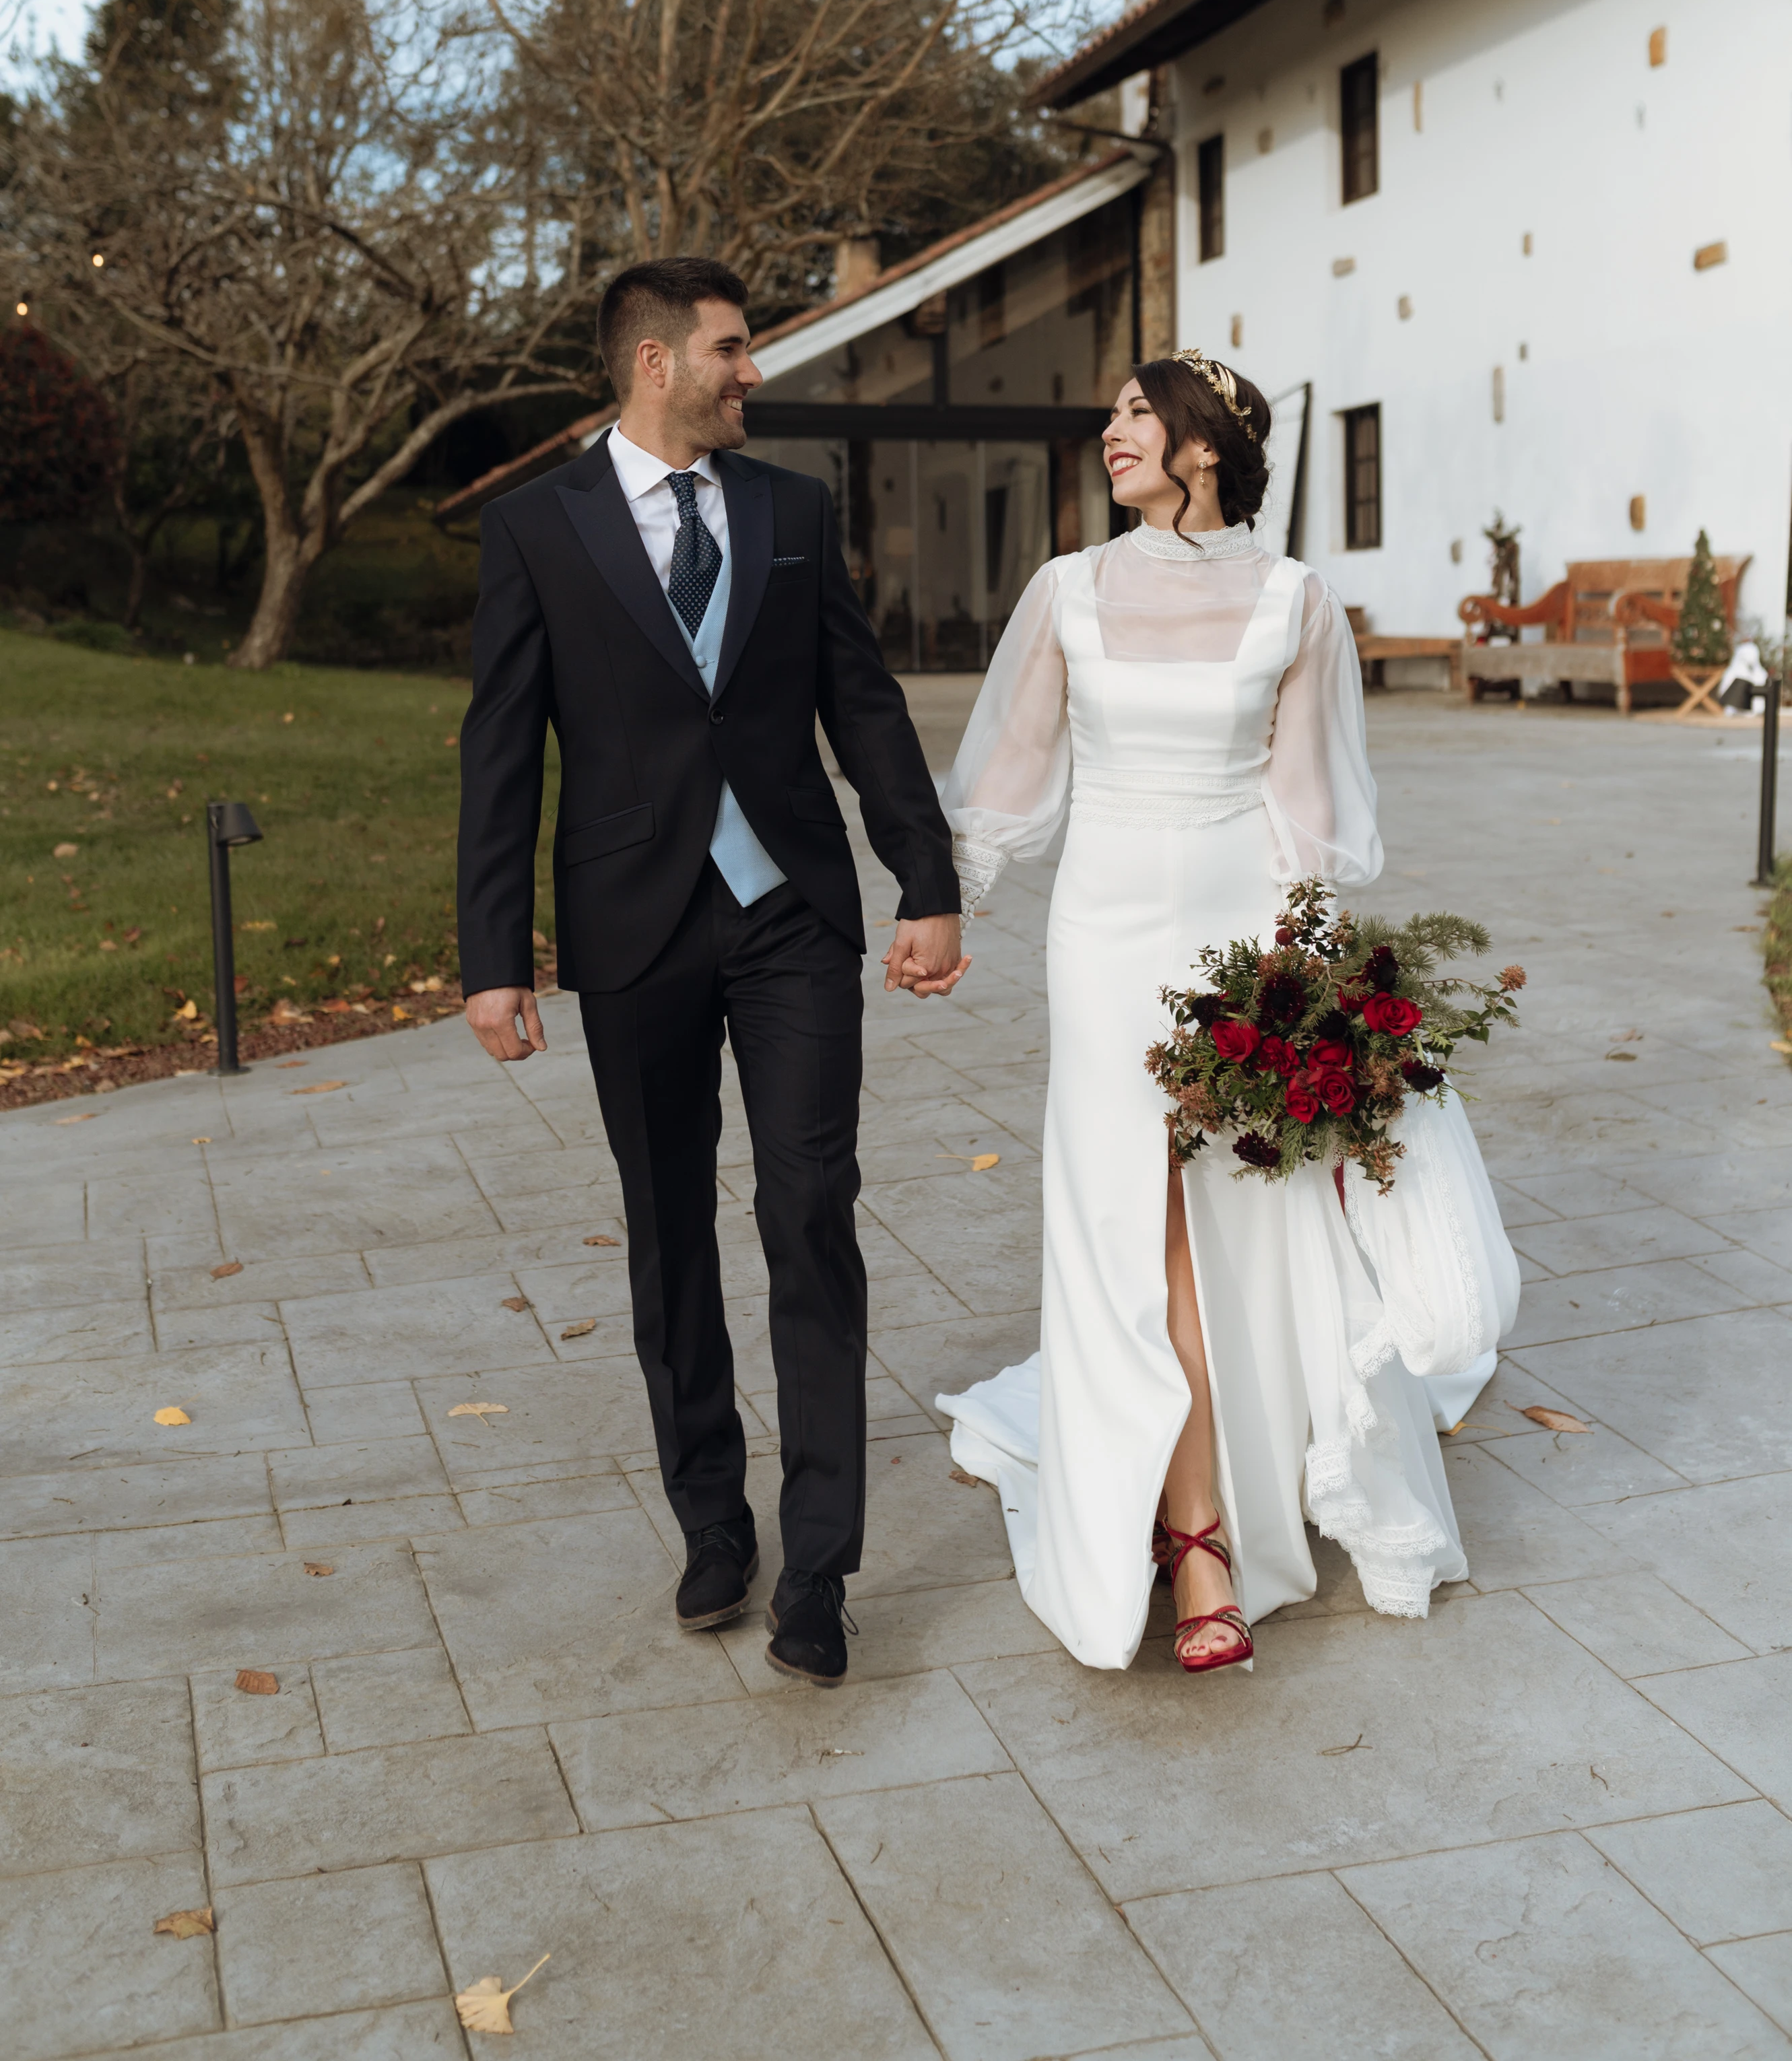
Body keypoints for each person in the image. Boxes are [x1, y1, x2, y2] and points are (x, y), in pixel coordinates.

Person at [935, 352, 1518, 1674]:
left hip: (1230, 943)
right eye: (1116, 413)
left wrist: (1301, 988)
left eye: (1138, 412)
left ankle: (1204, 1521)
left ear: (1208, 444)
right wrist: (945, 902)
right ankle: (1189, 1534)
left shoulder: (1297, 603)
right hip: (1098, 942)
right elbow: (1005, 775)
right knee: (1120, 1220)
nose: (1110, 429)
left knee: (1212, 1226)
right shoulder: (1065, 591)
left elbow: (1307, 815)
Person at [455, 257, 967, 1687]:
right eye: (734, 351)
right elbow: (500, 751)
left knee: (811, 1209)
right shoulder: (537, 530)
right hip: (635, 925)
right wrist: (492, 956)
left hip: (792, 911)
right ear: (656, 363)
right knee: (668, 1226)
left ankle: (819, 1568)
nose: (755, 375)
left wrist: (921, 880)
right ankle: (712, 1523)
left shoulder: (794, 512)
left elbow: (859, 702)